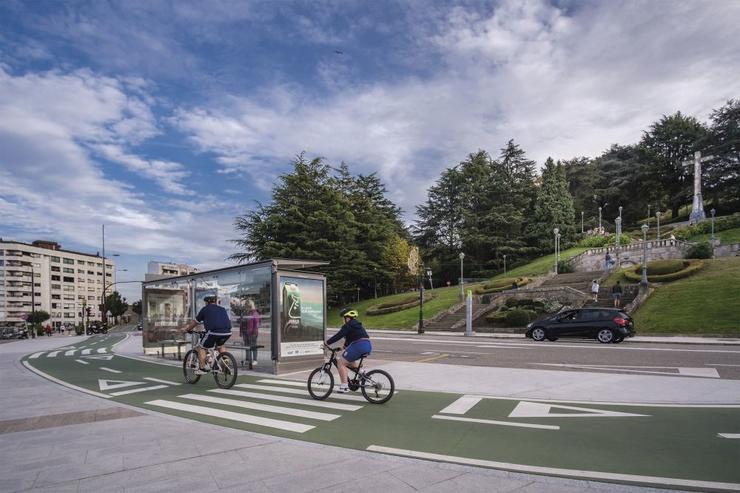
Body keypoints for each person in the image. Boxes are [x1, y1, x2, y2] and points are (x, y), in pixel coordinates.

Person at [324, 307, 371, 393]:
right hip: (367, 345)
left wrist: (326, 343)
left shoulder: (348, 325)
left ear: (347, 317)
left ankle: (344, 386)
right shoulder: (357, 325)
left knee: (340, 362)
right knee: (348, 360)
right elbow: (350, 339)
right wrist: (343, 348)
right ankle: (361, 372)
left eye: (343, 318)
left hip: (358, 345)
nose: (343, 320)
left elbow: (338, 335)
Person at [181, 295, 232, 375]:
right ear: (215, 302)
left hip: (213, 332)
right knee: (220, 345)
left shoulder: (205, 309)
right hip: (227, 332)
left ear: (207, 302)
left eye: (204, 302)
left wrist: (187, 329)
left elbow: (195, 322)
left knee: (201, 347)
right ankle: (225, 361)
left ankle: (202, 368)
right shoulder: (222, 309)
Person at [241, 299, 260, 366]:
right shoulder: (245, 312)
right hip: (245, 332)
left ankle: (255, 360)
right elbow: (241, 322)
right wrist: (241, 332)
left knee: (253, 346)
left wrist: (254, 332)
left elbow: (257, 323)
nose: (246, 307)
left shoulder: (254, 313)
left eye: (247, 305)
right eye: (246, 305)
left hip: (252, 332)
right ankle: (248, 359)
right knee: (247, 346)